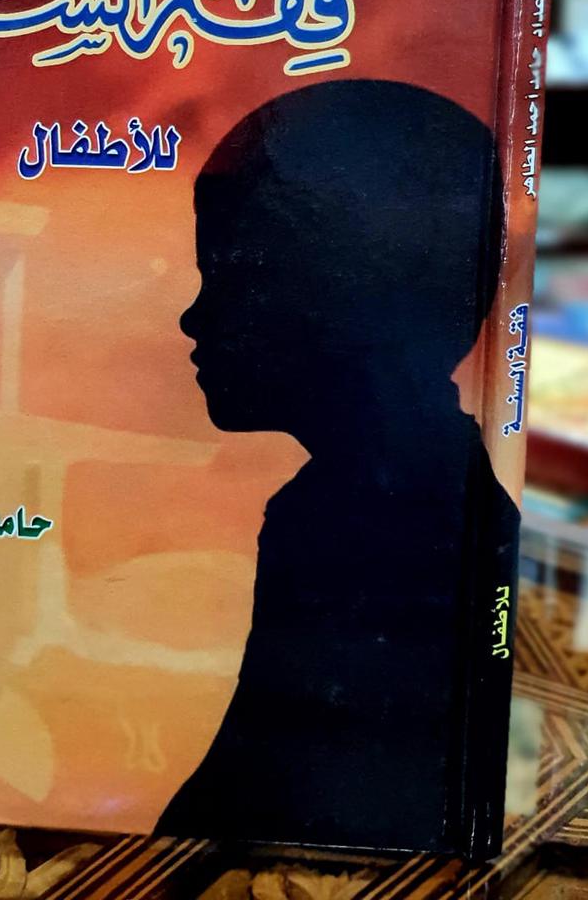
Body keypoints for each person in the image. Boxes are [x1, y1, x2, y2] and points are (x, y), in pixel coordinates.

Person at [157, 78, 518, 851]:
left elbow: (246, 803)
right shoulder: (367, 497)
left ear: (347, 299)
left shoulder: (361, 522)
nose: (194, 316)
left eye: (234, 276)